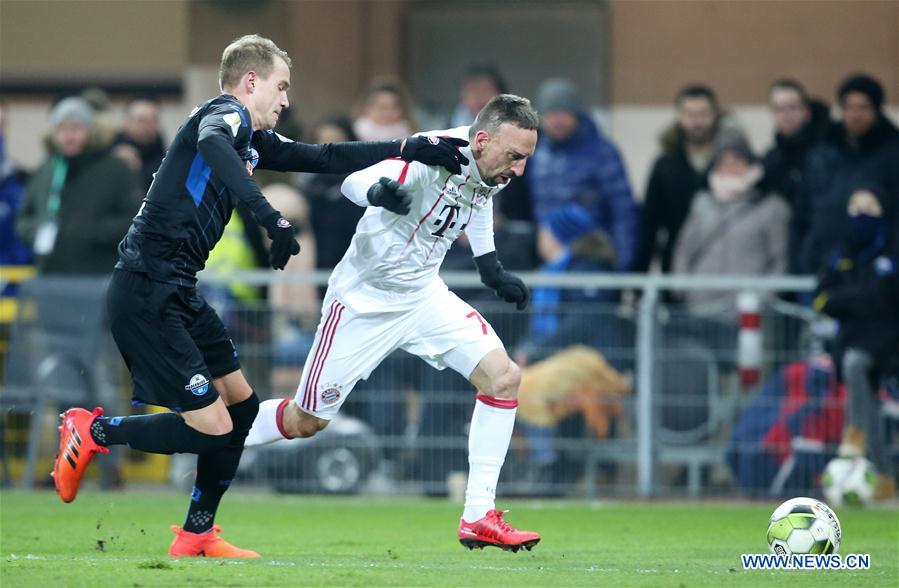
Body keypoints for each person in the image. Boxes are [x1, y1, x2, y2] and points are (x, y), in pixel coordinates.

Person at [50, 34, 470, 559]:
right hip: (145, 291)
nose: (286, 100)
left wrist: (408, 146)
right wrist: (269, 216)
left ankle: (197, 534)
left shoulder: (248, 136)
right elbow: (211, 143)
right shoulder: (223, 115)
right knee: (213, 427)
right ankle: (93, 429)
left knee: (243, 414)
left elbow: (324, 155)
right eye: (281, 86)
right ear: (251, 82)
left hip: (180, 290)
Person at [245, 94, 542, 552]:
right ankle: (210, 431)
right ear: (481, 140)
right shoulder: (432, 154)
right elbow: (352, 183)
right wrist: (379, 193)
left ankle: (478, 515)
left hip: (424, 295)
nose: (518, 169)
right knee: (305, 421)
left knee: (503, 377)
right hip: (364, 301)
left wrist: (490, 266)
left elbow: (478, 201)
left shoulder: (492, 166)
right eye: (515, 157)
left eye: (525, 159)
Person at [814, 190, 898, 499]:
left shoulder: (891, 250)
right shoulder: (837, 253)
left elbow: (885, 302)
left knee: (856, 365)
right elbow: (823, 299)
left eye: (870, 206)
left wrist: (849, 300)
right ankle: (885, 475)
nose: (862, 213)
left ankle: (855, 433)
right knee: (865, 392)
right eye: (856, 207)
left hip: (888, 342)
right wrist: (863, 298)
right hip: (849, 340)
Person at [16, 96, 140, 274]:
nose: (69, 136)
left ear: (90, 131)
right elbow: (24, 218)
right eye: (62, 129)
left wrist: (92, 233)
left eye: (75, 128)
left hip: (100, 274)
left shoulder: (116, 170)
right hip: (51, 273)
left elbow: (134, 219)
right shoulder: (46, 170)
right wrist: (38, 232)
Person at [526, 78, 639, 272]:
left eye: (564, 113)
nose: (558, 120)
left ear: (576, 115)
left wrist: (622, 268)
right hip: (544, 263)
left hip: (593, 260)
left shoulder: (603, 153)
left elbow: (623, 212)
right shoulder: (531, 153)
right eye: (552, 113)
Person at [672, 131, 789, 312]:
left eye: (736, 160)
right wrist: (683, 289)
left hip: (749, 314)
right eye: (723, 162)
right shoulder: (702, 204)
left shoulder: (771, 207)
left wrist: (761, 299)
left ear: (749, 163)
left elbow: (780, 259)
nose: (730, 167)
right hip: (700, 309)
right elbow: (683, 251)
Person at [796, 73, 899, 275]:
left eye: (863, 107)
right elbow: (802, 214)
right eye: (849, 107)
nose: (855, 114)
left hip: (874, 272)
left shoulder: (892, 153)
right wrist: (800, 259)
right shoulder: (823, 151)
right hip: (821, 263)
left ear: (876, 110)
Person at [633, 84, 725, 275]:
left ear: (715, 115)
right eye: (690, 114)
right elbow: (650, 224)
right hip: (676, 266)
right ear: (679, 116)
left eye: (703, 114)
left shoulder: (732, 161)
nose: (697, 121)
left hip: (724, 262)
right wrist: (639, 280)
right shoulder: (665, 165)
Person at [761, 79, 830, 273]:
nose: (786, 115)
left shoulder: (828, 153)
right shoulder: (770, 161)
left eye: (792, 107)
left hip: (821, 254)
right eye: (779, 109)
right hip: (782, 255)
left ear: (806, 111)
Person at [113, 95, 166, 191]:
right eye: (141, 120)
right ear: (126, 122)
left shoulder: (166, 157)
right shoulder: (110, 152)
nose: (148, 126)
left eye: (153, 120)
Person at [352, 78, 418, 141]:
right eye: (382, 108)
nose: (387, 113)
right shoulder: (353, 132)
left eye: (393, 107)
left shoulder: (410, 135)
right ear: (367, 108)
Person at [447, 61, 507, 128]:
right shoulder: (448, 130)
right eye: (472, 90)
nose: (479, 96)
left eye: (485, 89)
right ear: (462, 96)